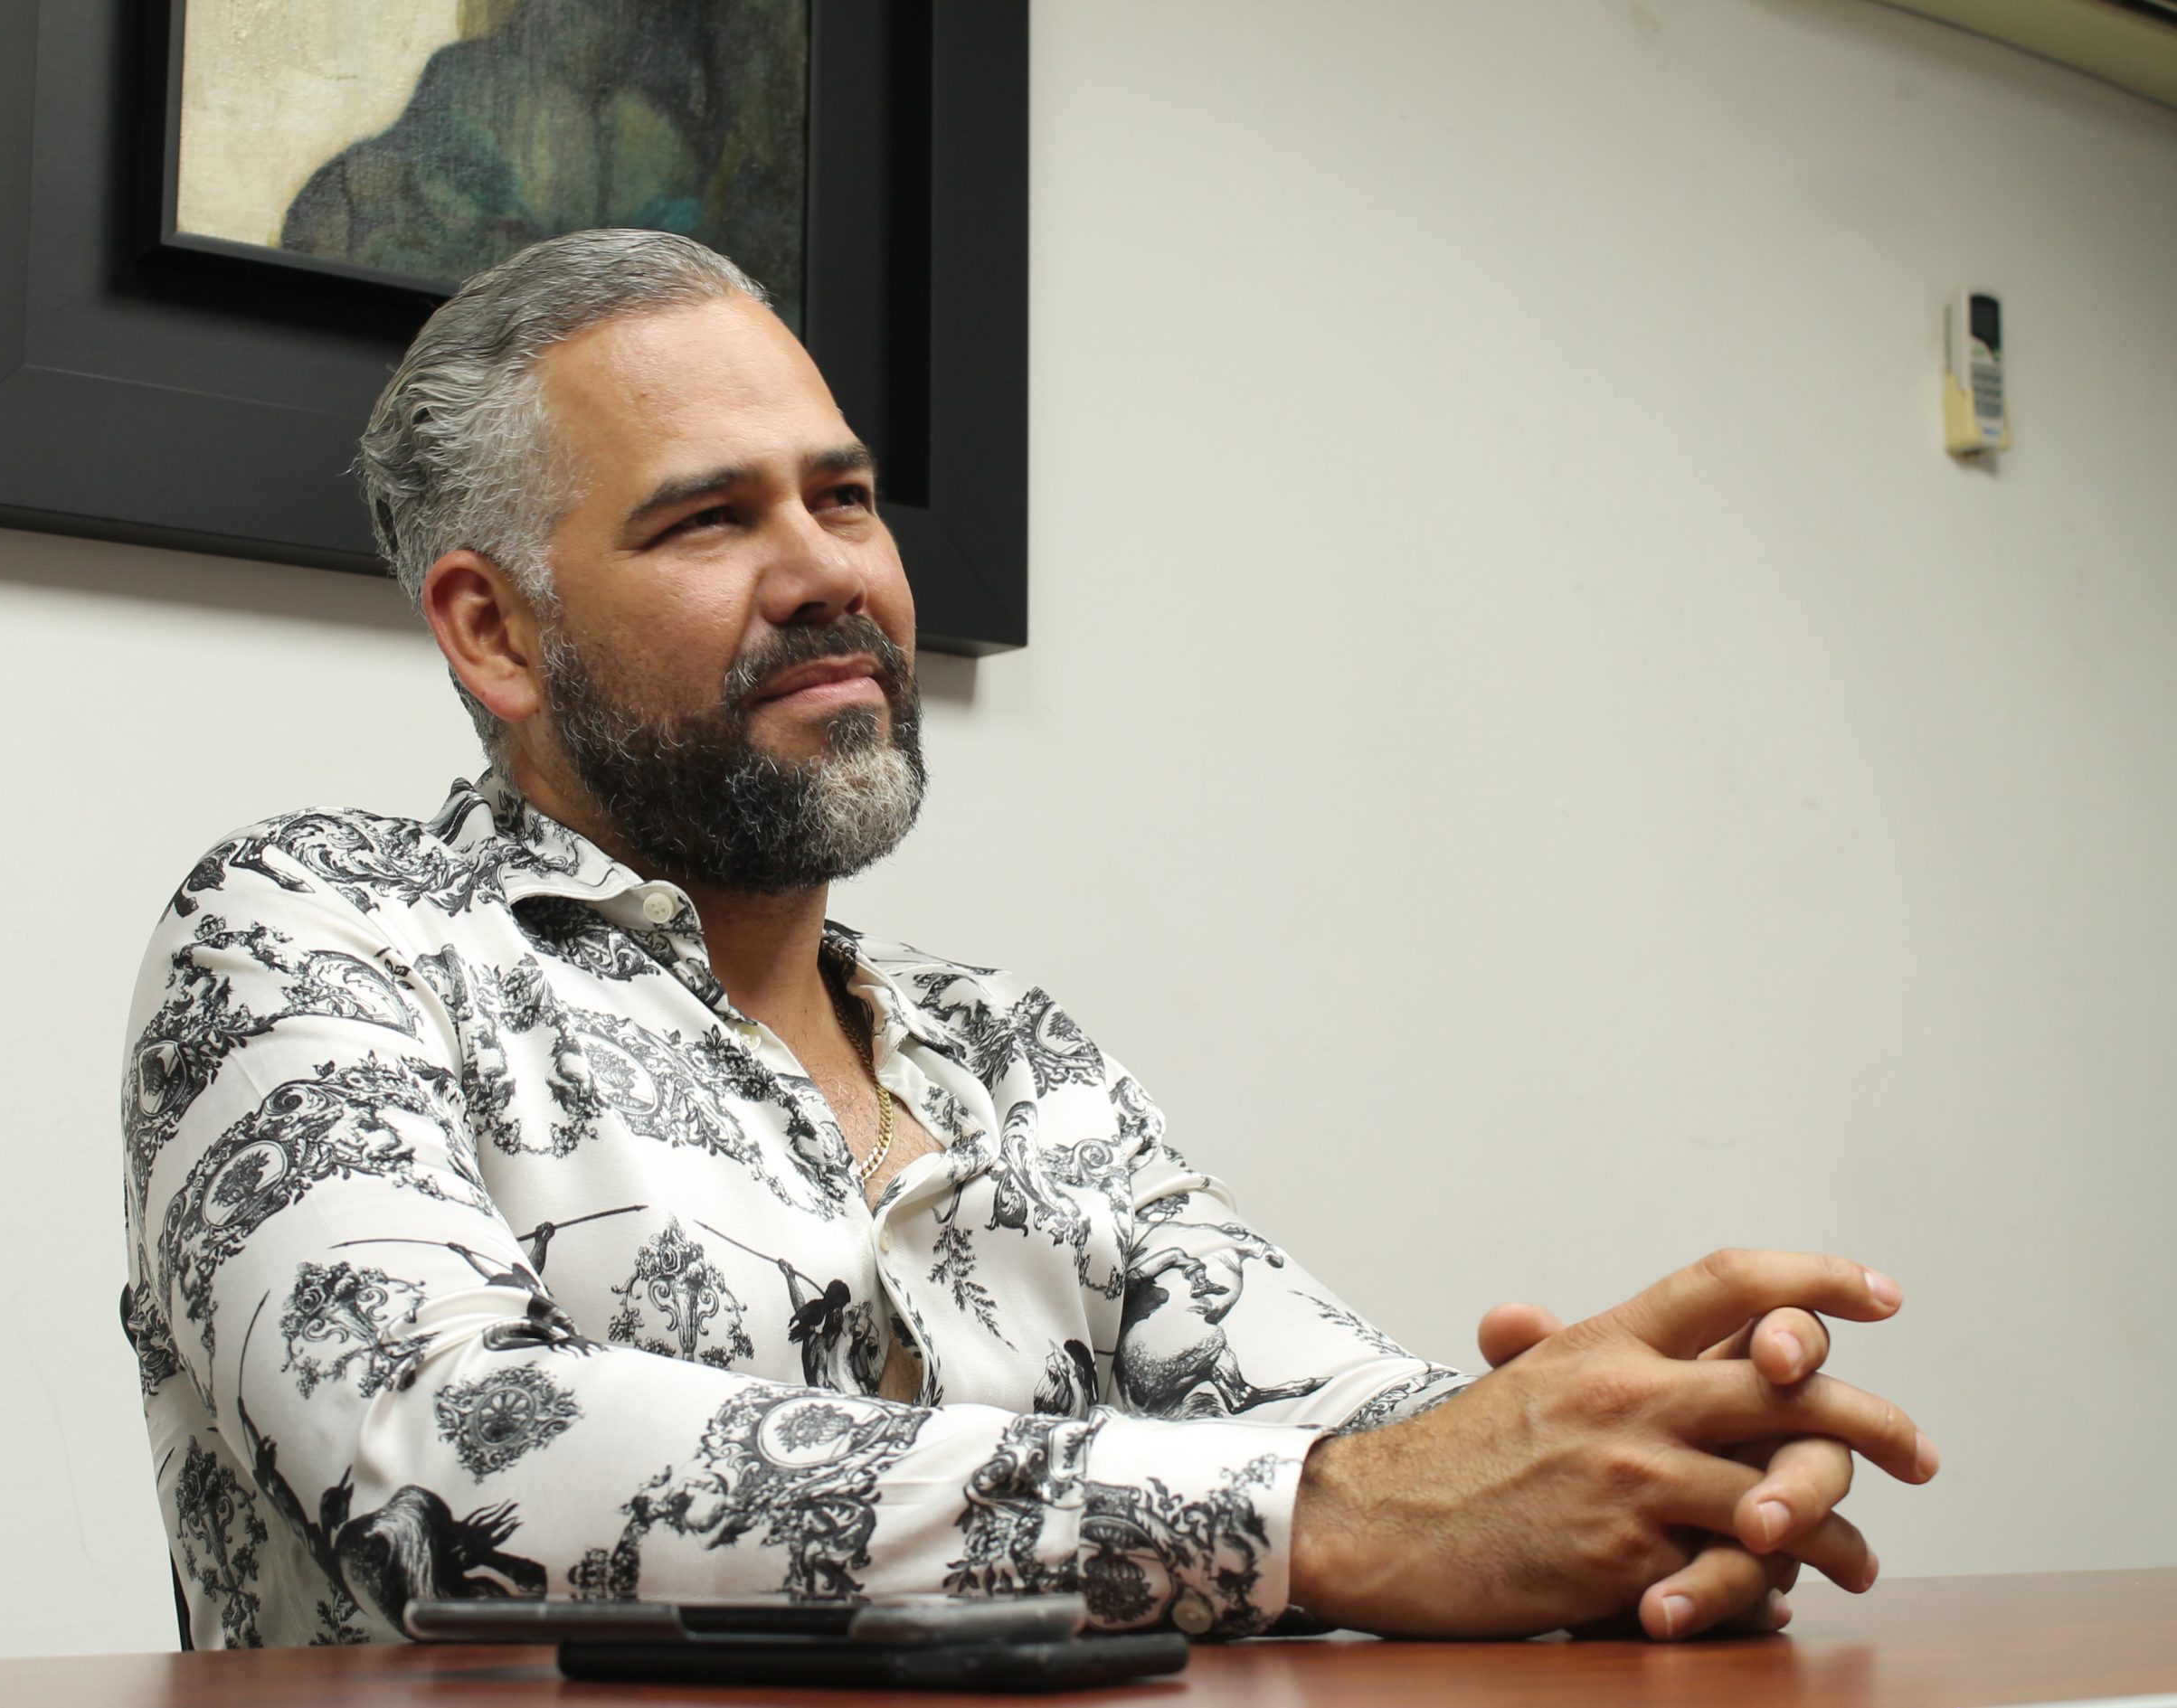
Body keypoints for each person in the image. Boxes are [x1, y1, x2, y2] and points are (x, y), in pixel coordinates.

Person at [118, 230, 1936, 1652]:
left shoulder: (1008, 1050)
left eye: (842, 496)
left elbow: (1338, 1423)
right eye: (711, 518)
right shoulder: (306, 936)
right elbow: (455, 1462)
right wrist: (1350, 1511)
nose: (830, 569)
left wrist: (1624, 1455)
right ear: (494, 632)